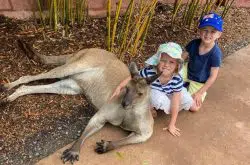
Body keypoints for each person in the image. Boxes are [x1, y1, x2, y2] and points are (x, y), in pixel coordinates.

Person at [110, 42, 194, 136]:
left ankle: (166, 108)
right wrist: (119, 87)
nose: (166, 65)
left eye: (171, 62)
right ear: (157, 60)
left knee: (188, 102)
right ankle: (151, 107)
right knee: (152, 95)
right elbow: (132, 78)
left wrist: (172, 124)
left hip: (171, 93)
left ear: (176, 66)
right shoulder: (149, 72)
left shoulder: (177, 79)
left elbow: (176, 100)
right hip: (157, 93)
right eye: (163, 60)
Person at [181, 12, 224, 111]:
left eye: (213, 31)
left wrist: (200, 93)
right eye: (205, 30)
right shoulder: (194, 43)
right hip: (187, 71)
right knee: (169, 76)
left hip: (200, 81)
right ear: (199, 31)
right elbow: (182, 57)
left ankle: (188, 87)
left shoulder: (215, 53)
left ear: (219, 34)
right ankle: (184, 85)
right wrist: (174, 69)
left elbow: (213, 76)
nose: (208, 34)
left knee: (193, 108)